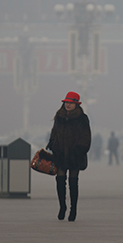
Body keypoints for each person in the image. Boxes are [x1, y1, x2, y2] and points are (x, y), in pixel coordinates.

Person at [46, 91, 91, 222]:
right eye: (66, 102)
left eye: (71, 103)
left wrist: (78, 149)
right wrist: (53, 145)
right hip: (60, 155)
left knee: (73, 183)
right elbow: (54, 133)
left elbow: (86, 137)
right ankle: (62, 206)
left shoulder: (82, 118)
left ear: (76, 104)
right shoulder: (59, 117)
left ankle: (73, 209)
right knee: (60, 181)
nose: (68, 105)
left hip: (75, 155)